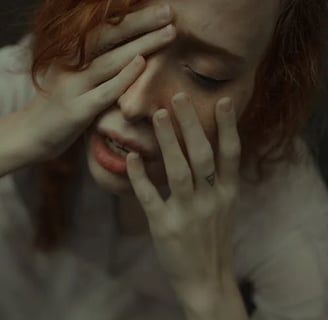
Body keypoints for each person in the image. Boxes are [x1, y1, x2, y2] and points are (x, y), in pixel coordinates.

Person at [0, 0, 327, 319]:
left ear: (269, 84)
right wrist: (22, 132)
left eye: (205, 75)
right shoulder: (39, 74)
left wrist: (208, 290)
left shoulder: (294, 222)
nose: (134, 102)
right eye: (122, 43)